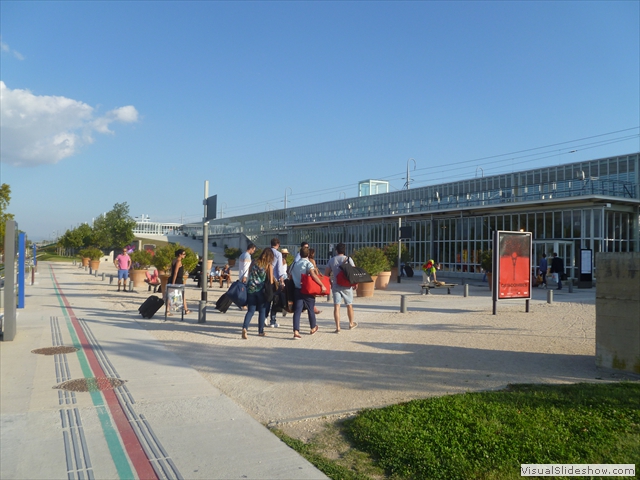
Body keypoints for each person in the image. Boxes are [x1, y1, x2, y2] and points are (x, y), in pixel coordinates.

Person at [290, 245, 326, 339]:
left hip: (297, 289)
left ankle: (296, 331)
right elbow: (313, 275)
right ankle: (313, 327)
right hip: (307, 290)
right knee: (310, 309)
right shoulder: (308, 263)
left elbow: (289, 273)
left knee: (297, 311)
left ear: (300, 254)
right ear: (308, 254)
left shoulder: (294, 264)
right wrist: (321, 284)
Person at [241, 248, 275, 339]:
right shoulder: (268, 265)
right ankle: (260, 331)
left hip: (251, 289)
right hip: (261, 290)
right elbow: (271, 281)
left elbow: (248, 273)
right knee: (262, 311)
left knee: (250, 311)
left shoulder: (254, 262)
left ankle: (245, 328)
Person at [325, 243, 357, 333]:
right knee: (349, 305)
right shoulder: (348, 259)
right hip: (347, 285)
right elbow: (353, 272)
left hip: (336, 285)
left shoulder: (332, 260)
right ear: (344, 250)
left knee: (337, 306)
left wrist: (330, 282)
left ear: (336, 250)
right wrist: (355, 283)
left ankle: (338, 327)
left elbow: (326, 273)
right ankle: (351, 323)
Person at [265, 238, 286, 327]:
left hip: (265, 278)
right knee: (275, 301)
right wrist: (281, 280)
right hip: (274, 279)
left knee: (266, 300)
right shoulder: (278, 254)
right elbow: (279, 268)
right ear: (277, 245)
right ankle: (272, 321)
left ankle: (264, 317)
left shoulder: (266, 252)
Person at [166, 249, 190, 315]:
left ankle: (185, 309)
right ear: (180, 254)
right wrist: (173, 282)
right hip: (177, 280)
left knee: (170, 295)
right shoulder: (178, 261)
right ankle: (186, 310)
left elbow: (171, 271)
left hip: (173, 279)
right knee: (182, 294)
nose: (184, 255)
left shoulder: (174, 260)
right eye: (183, 254)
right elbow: (175, 272)